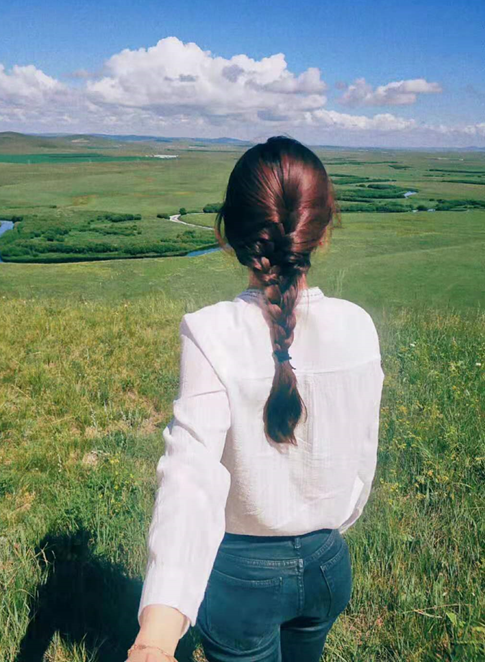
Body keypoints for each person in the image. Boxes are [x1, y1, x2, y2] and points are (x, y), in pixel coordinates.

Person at [127, 136, 385, 662]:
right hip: (328, 562)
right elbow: (363, 462)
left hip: (239, 576)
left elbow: (190, 477)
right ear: (321, 232)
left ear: (227, 233)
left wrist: (154, 640)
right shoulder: (359, 327)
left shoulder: (211, 332)